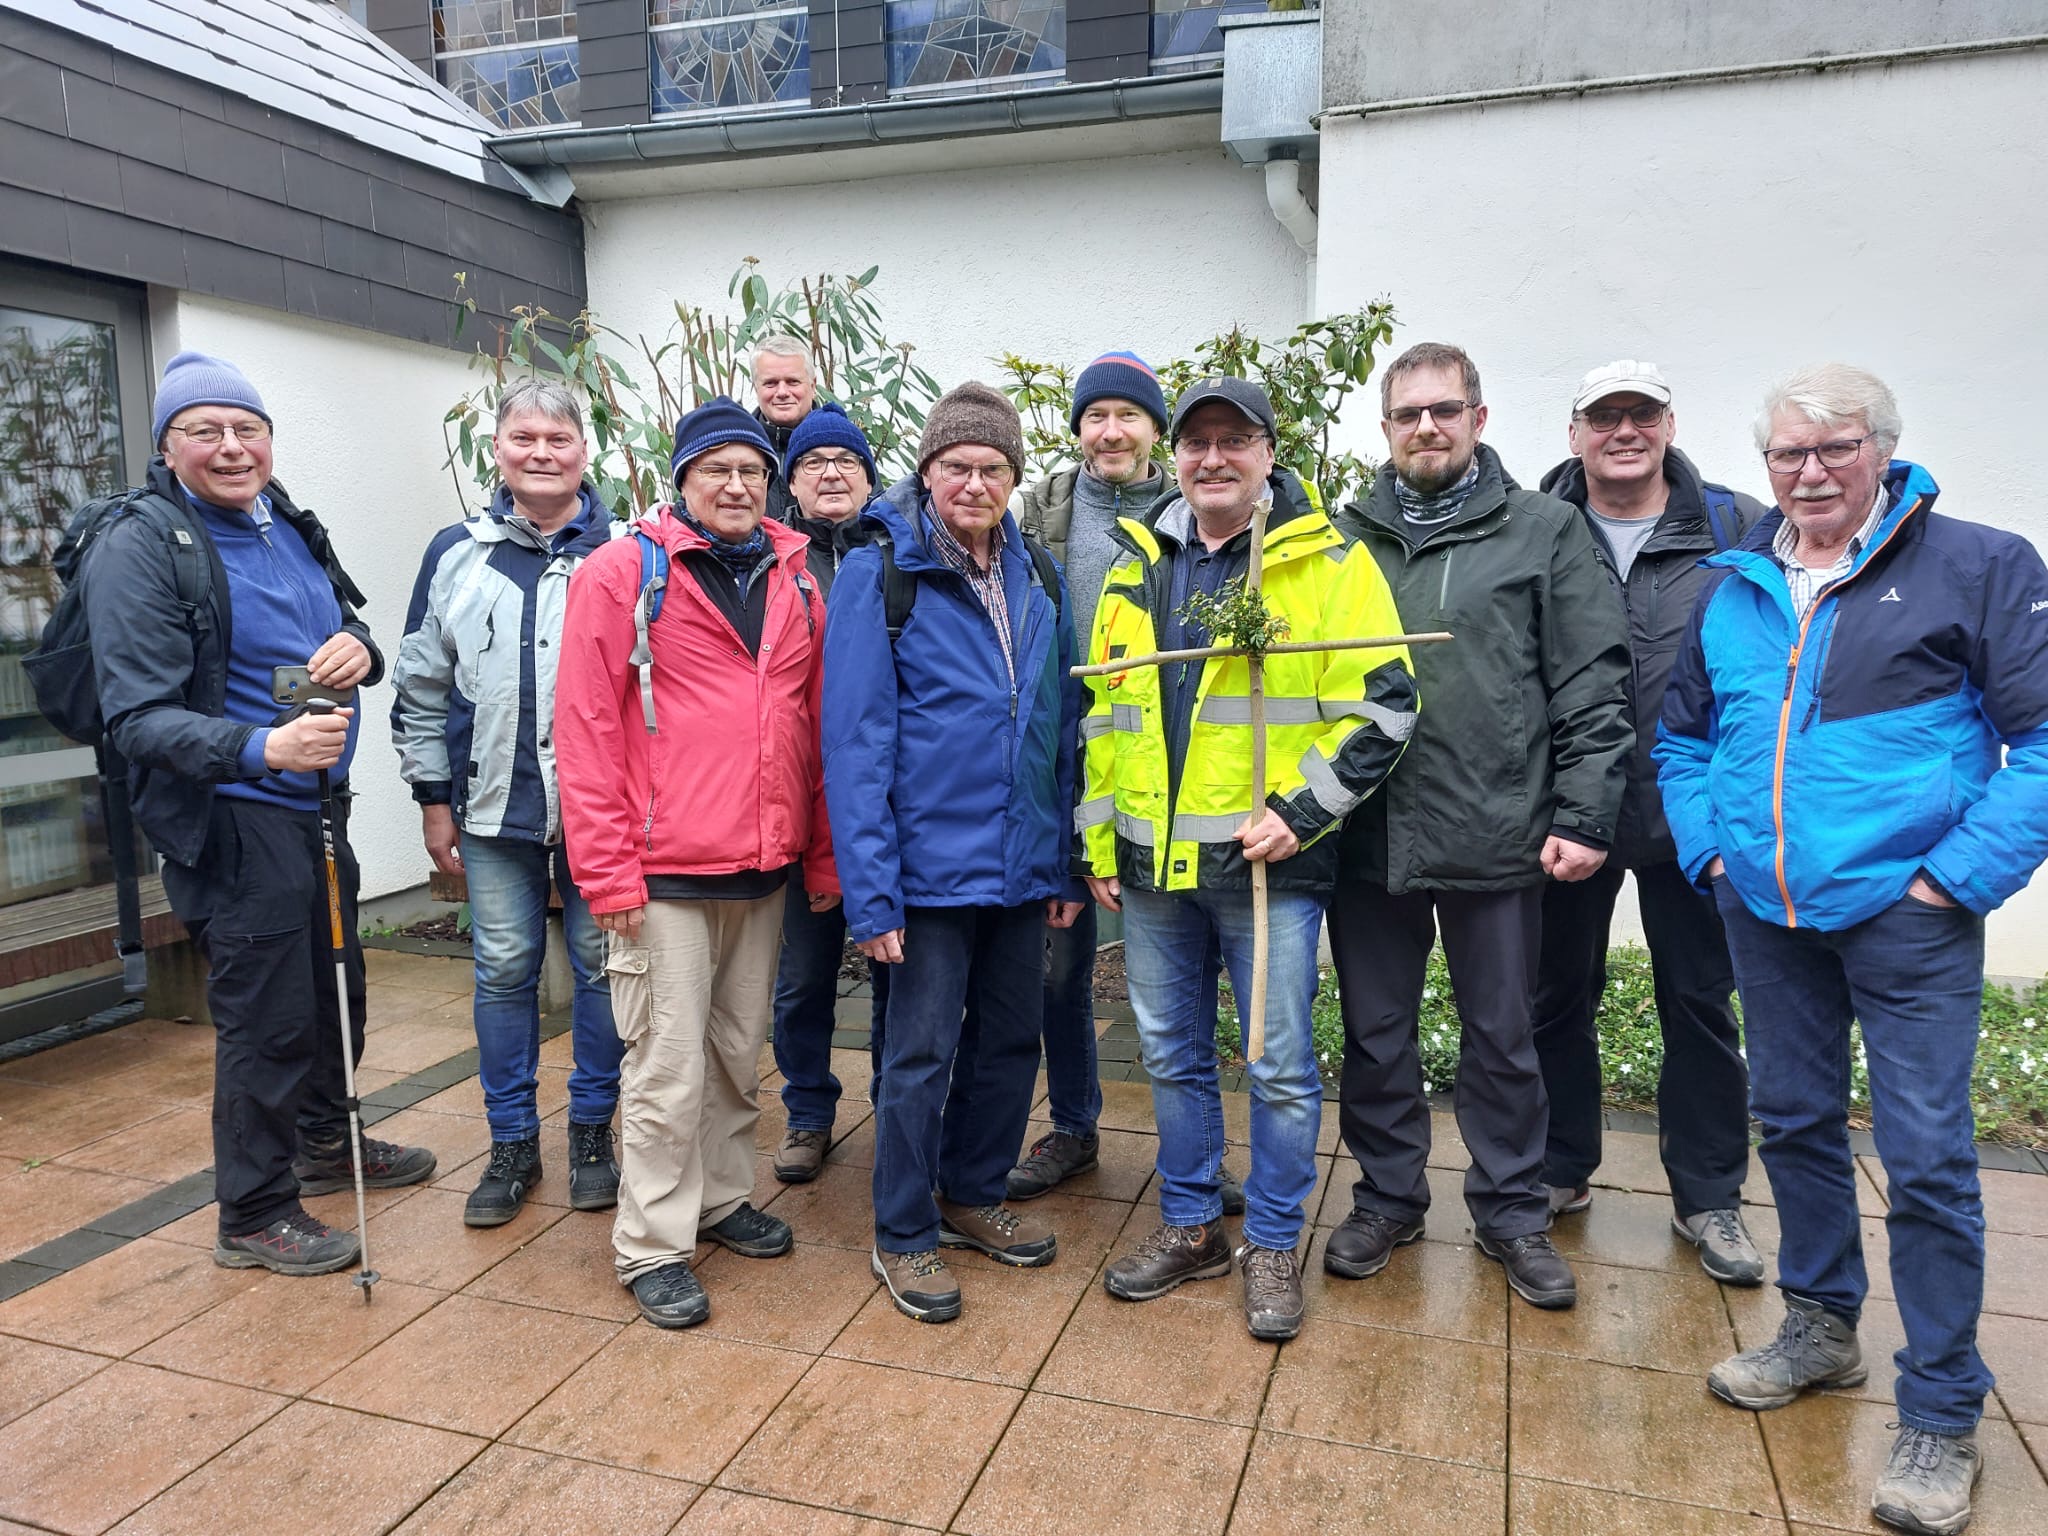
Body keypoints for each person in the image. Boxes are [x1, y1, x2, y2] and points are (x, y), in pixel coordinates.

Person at [1658, 364, 2048, 1536]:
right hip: (1764, 913)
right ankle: (1820, 1328)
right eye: (1787, 453)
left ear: (1882, 449)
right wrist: (1711, 855)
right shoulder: (1732, 586)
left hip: (1907, 916)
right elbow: (1680, 738)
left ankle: (1938, 1408)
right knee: (1792, 1123)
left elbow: (2039, 745)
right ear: (1764, 462)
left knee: (1926, 1160)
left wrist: (1953, 880)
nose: (1808, 471)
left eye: (1832, 448)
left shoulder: (1976, 566)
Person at [87, 351, 434, 1276]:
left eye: (248, 429)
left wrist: (360, 651)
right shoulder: (145, 544)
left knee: (332, 991)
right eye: (206, 430)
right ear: (169, 445)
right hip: (239, 821)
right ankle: (252, 1212)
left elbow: (349, 628)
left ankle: (326, 1142)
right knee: (269, 1016)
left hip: (319, 812)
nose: (232, 448)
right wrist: (261, 749)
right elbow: (136, 717)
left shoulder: (285, 520)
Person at [1085, 376, 1417, 1341]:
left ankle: (1271, 1241)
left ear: (1270, 452)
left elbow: (1387, 705)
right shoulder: (1132, 567)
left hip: (1266, 868)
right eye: (1196, 443)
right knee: (1171, 1057)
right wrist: (1099, 839)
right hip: (1151, 874)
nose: (1212, 458)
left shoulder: (1326, 564)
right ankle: (1190, 1223)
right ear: (1175, 457)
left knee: (1274, 1067)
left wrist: (1300, 812)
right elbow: (1107, 716)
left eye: (1235, 441)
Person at [1327, 342, 1631, 1312]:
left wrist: (1583, 813)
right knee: (1375, 1034)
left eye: (1443, 410)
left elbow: (1591, 681)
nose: (1426, 426)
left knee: (1500, 1036)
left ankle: (1508, 1210)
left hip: (1498, 833)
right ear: (1382, 430)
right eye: (1407, 413)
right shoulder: (1341, 541)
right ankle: (1385, 1195)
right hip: (1368, 838)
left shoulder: (1543, 531)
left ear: (1478, 419)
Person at [554, 396, 836, 1329]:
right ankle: (652, 1245)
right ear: (681, 480)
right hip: (659, 871)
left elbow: (817, 729)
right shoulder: (622, 573)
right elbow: (588, 729)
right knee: (666, 1066)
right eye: (716, 468)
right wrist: (606, 872)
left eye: (752, 469)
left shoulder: (798, 581)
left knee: (730, 1054)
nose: (736, 484)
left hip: (760, 866)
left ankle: (719, 1199)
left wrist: (820, 860)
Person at [823, 382, 1081, 1324]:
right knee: (920, 1052)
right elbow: (854, 744)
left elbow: (1058, 726)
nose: (975, 482)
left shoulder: (1038, 575)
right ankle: (903, 1231)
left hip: (1019, 864)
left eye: (994, 468)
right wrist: (873, 895)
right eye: (958, 466)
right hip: (926, 871)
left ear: (1014, 477)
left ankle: (973, 1193)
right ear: (928, 471)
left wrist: (1057, 860)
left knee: (1013, 1038)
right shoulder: (882, 572)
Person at [1529, 360, 1767, 1283]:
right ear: (1575, 431)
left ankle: (1710, 1198)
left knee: (1700, 1006)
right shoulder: (1535, 524)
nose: (1622, 431)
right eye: (1603, 416)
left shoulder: (1739, 525)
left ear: (1669, 422)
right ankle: (1558, 1169)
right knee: (1556, 998)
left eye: (1641, 414)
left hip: (1693, 815)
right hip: (1567, 811)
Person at [1006, 349, 1245, 1209]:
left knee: (1192, 973)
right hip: (1067, 755)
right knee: (1059, 963)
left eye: (1129, 417)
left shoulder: (1197, 510)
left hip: (1172, 766)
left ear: (1157, 431)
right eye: (1095, 417)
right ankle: (1073, 1125)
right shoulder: (1035, 514)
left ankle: (1200, 1156)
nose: (1111, 432)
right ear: (1077, 430)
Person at [391, 379, 625, 1228]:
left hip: (602, 813)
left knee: (604, 969)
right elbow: (420, 685)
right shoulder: (457, 553)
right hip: (492, 809)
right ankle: (512, 1144)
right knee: (502, 971)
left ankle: (594, 1133)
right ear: (497, 450)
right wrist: (430, 797)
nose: (540, 454)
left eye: (557, 441)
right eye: (523, 438)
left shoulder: (626, 553)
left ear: (583, 452)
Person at [767, 401, 882, 1183]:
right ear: (793, 484)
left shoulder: (901, 552)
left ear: (872, 480)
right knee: (802, 978)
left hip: (881, 811)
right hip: (797, 806)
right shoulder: (774, 564)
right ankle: (808, 1111)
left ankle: (899, 1109)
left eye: (846, 461)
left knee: (896, 970)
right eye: (813, 463)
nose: (831, 473)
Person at [750, 336, 819, 522]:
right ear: (756, 388)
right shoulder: (737, 446)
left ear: (813, 386)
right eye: (770, 383)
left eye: (793, 382)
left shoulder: (842, 445)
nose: (782, 392)